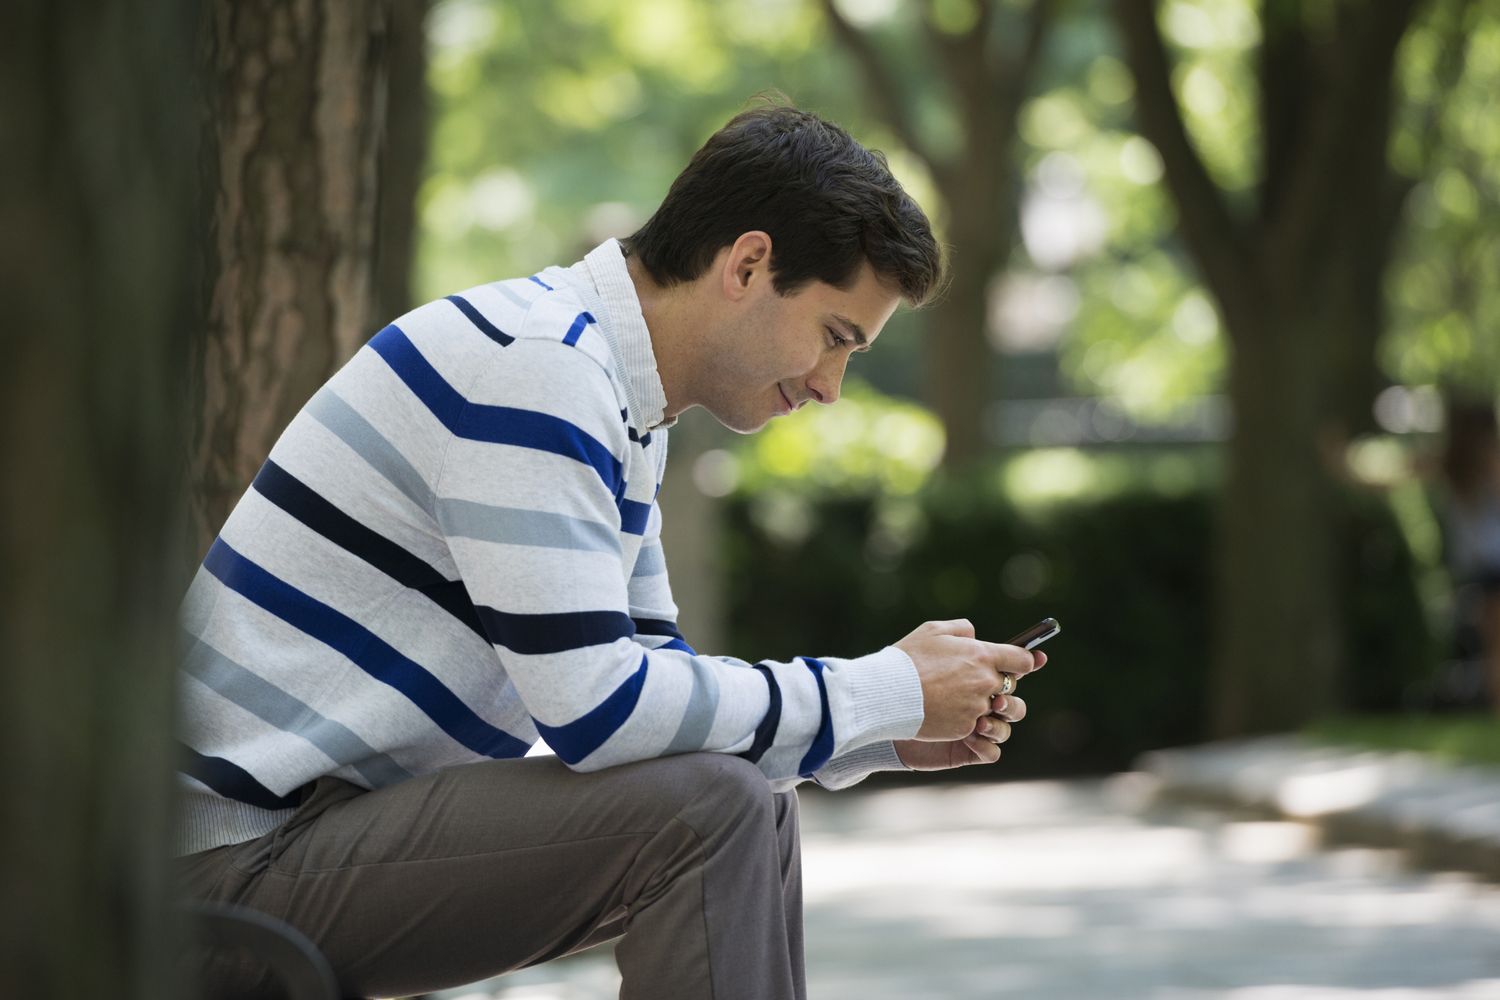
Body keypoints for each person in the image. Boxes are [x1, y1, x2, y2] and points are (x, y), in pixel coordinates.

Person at [173, 104, 1046, 1000]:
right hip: (220, 879)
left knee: (741, 795)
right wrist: (878, 690)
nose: (830, 387)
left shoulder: (615, 396)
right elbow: (602, 711)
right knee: (712, 811)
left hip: (301, 847)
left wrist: (877, 733)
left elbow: (661, 700)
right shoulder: (540, 369)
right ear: (747, 265)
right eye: (835, 337)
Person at [1439, 394, 1500, 714]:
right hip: (1491, 564)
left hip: (1479, 566)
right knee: (1495, 646)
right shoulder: (1483, 463)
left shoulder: (1453, 465)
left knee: (1493, 646)